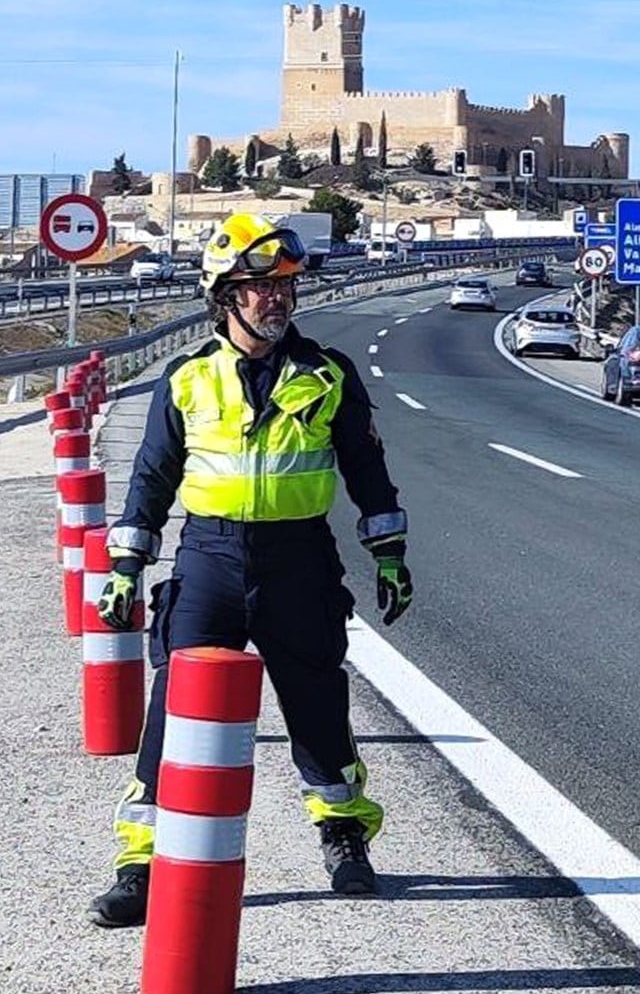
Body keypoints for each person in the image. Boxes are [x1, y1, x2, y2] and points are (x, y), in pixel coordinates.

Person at [87, 212, 414, 928]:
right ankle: (143, 859)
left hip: (299, 558)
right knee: (175, 709)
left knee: (318, 704)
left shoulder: (328, 375)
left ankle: (344, 833)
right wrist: (124, 566)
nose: (277, 299)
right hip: (209, 558)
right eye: (259, 287)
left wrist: (389, 551)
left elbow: (368, 469)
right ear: (224, 296)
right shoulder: (188, 380)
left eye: (285, 287)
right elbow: (151, 479)